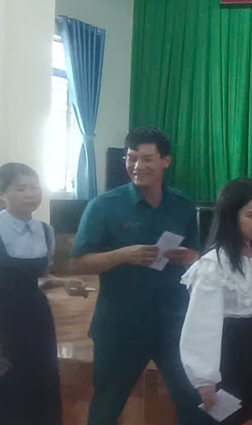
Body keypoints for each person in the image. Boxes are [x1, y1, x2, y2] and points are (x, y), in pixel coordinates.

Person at [71, 128, 209, 425]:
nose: (137, 166)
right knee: (107, 406)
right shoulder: (104, 206)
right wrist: (123, 255)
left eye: (147, 158)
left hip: (174, 323)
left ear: (166, 161)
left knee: (193, 399)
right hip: (121, 325)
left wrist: (191, 258)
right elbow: (78, 263)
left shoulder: (183, 205)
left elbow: (195, 256)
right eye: (131, 158)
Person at [180, 178, 252, 424]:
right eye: (251, 215)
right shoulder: (213, 265)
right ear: (231, 217)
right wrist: (204, 378)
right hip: (226, 351)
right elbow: (201, 324)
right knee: (227, 417)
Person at [0, 162, 87, 424]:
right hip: (4, 321)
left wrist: (63, 284)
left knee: (41, 379)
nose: (31, 194)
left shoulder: (45, 231)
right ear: (3, 194)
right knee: (9, 384)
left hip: (37, 317)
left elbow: (38, 278)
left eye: (35, 187)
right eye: (21, 188)